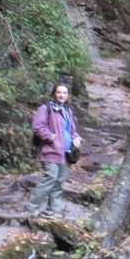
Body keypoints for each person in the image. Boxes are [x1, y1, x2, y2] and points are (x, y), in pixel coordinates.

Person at [26, 83, 83, 218]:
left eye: (64, 93)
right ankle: (31, 208)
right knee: (50, 178)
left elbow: (72, 130)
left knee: (59, 181)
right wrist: (51, 137)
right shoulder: (46, 108)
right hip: (51, 150)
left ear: (67, 95)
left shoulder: (68, 111)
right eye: (59, 92)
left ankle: (54, 210)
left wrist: (77, 138)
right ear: (54, 94)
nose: (61, 95)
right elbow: (37, 126)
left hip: (66, 152)